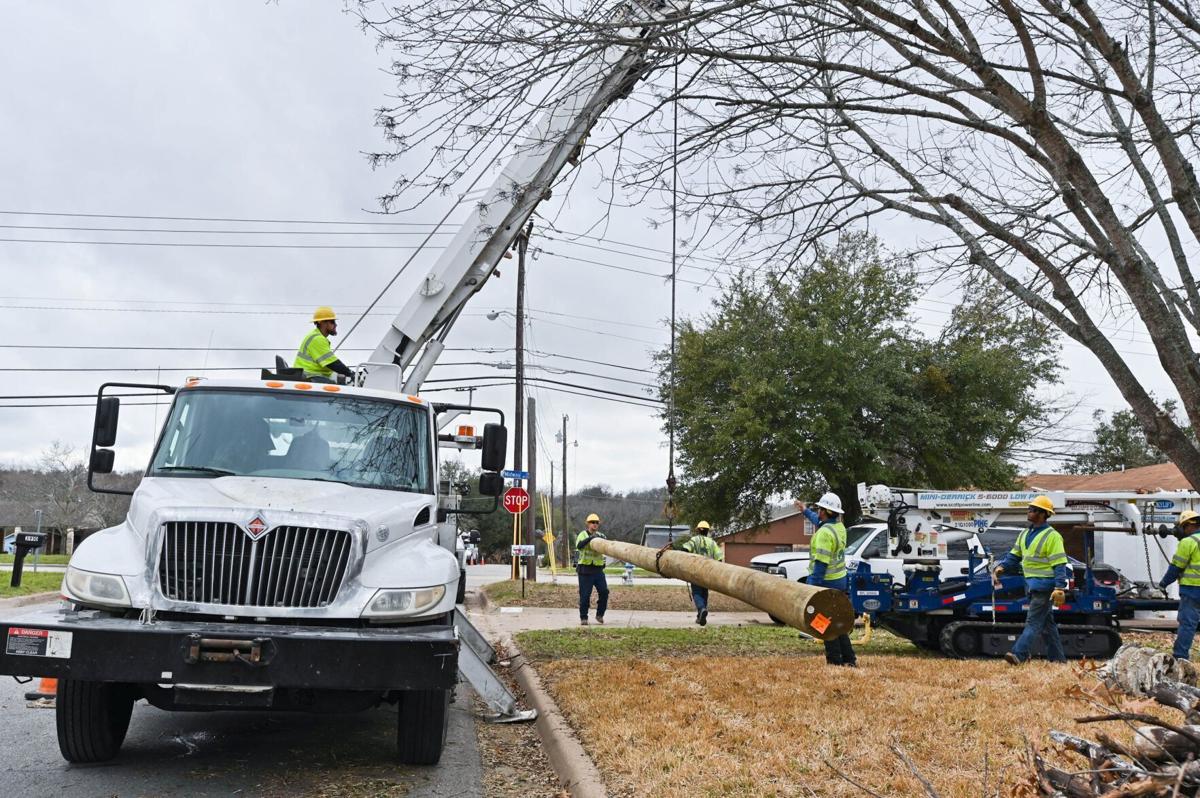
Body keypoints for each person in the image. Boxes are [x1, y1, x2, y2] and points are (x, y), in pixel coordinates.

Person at [992, 495, 1069, 665]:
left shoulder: (1053, 536)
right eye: (1029, 509)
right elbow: (1014, 556)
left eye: (1033, 510)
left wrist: (1060, 587)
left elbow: (1059, 563)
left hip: (1045, 586)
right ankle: (1058, 660)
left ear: (1043, 514)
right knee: (1048, 626)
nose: (1029, 512)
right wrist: (1002, 567)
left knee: (1033, 622)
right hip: (1032, 585)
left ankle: (1018, 655)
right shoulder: (1025, 533)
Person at [796, 492, 857, 667]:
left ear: (825, 511)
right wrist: (805, 510)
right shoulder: (838, 528)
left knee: (824, 624)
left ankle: (835, 661)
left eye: (820, 509)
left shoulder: (824, 534)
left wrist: (809, 590)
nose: (818, 511)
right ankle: (849, 659)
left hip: (826, 582)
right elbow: (819, 522)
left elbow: (820, 566)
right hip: (840, 580)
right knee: (838, 622)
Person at [1159, 510, 1200, 660]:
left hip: (1193, 589)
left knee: (1188, 624)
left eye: (1182, 527)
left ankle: (1180, 657)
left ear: (1189, 526)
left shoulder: (1188, 542)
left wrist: (1163, 584)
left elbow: (1177, 566)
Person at [293, 307, 355, 384]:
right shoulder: (317, 339)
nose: (336, 325)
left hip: (312, 376)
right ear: (322, 323)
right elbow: (333, 363)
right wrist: (351, 373)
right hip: (310, 377)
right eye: (332, 322)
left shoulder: (316, 336)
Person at [682, 520, 723, 625]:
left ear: (698, 530)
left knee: (696, 592)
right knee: (704, 593)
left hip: (695, 571)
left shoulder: (694, 540)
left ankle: (701, 609)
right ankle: (701, 615)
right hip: (707, 572)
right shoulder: (712, 542)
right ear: (707, 531)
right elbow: (719, 558)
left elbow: (685, 549)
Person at [575, 513, 609, 626]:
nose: (595, 524)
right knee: (585, 595)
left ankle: (600, 615)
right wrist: (590, 538)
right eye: (592, 522)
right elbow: (579, 546)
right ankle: (583, 617)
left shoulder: (602, 536)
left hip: (598, 570)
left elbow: (606, 548)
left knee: (604, 592)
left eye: (596, 522)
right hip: (585, 570)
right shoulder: (582, 534)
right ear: (588, 523)